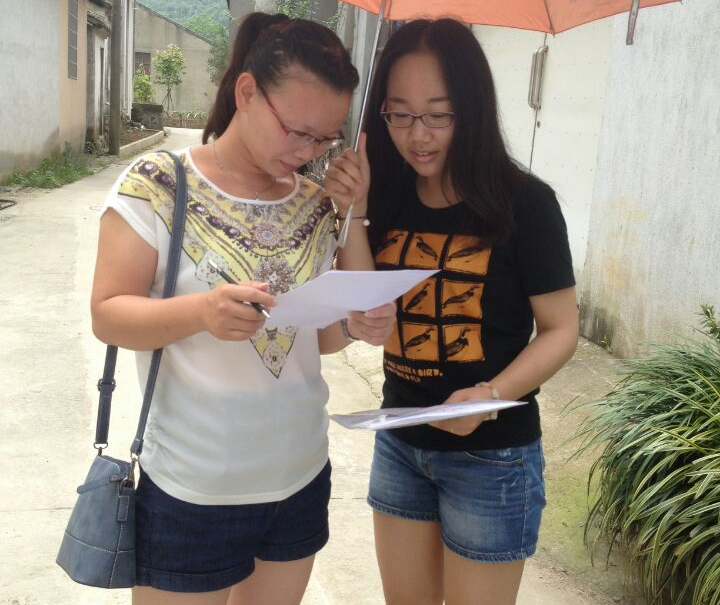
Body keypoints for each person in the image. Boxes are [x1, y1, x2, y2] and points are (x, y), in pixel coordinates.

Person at [91, 12, 395, 605]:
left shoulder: (315, 205)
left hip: (298, 477)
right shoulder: (158, 185)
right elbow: (108, 315)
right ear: (248, 92)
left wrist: (353, 321)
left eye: (325, 140)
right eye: (298, 132)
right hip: (192, 486)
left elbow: (316, 339)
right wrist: (202, 312)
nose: (309, 152)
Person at [323, 18, 579, 605]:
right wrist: (355, 210)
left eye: (438, 115)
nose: (418, 135)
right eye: (400, 114)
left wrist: (490, 394)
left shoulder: (526, 204)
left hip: (492, 455)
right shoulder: (386, 194)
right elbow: (365, 307)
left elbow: (561, 330)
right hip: (400, 440)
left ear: (473, 109)